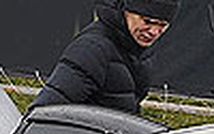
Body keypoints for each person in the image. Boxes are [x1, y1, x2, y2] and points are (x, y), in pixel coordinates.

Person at [31, 0, 180, 114]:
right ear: (125, 10)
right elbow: (43, 112)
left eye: (162, 25)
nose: (154, 32)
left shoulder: (137, 49)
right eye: (147, 21)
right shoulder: (92, 50)